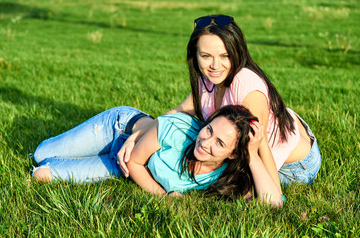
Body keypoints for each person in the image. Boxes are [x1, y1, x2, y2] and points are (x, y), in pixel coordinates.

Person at [118, 15, 321, 194]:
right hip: (283, 126)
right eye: (206, 56)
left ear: (237, 52)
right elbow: (178, 112)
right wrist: (136, 137)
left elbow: (262, 148)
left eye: (225, 56)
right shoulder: (208, 80)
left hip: (294, 165)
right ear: (195, 55)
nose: (215, 65)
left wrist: (274, 191)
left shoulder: (247, 88)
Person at [32, 105, 283, 205]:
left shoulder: (224, 176)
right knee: (40, 153)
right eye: (208, 130)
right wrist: (163, 195)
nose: (205, 142)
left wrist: (251, 153)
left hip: (123, 165)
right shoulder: (177, 129)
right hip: (120, 131)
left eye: (219, 143)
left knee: (42, 174)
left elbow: (274, 203)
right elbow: (134, 160)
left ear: (232, 155)